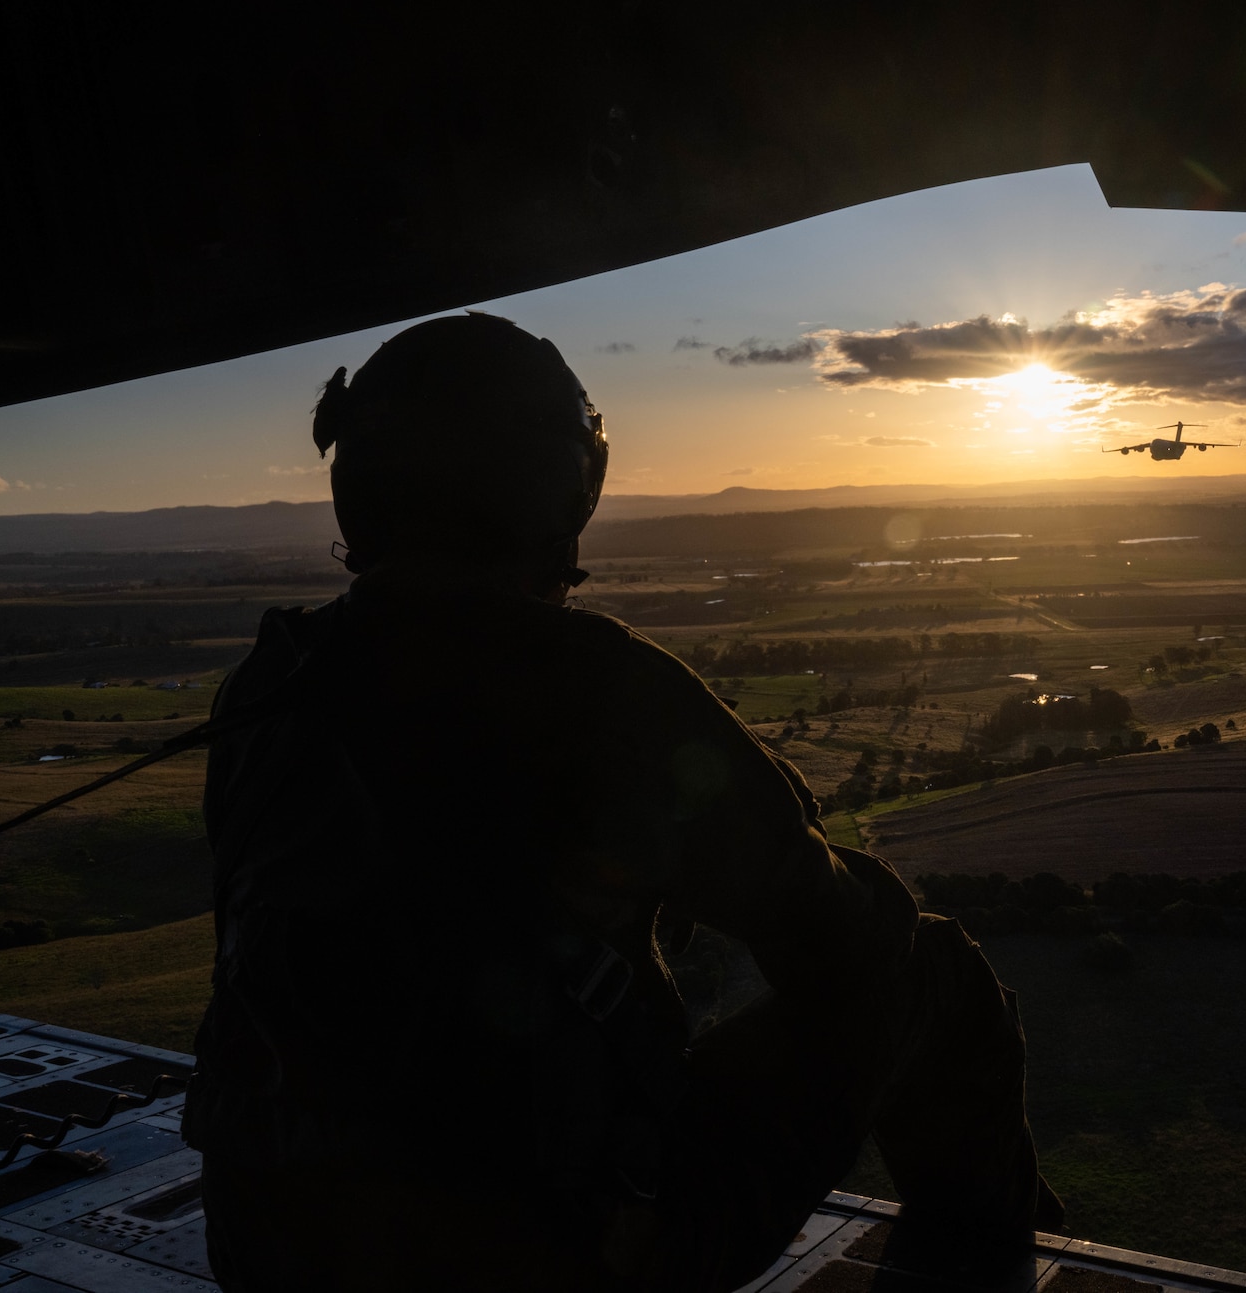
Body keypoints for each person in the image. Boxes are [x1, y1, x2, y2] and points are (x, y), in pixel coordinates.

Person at [183, 314, 1060, 1290]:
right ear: (563, 486)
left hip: (267, 1251)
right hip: (554, 1260)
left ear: (359, 486)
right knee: (929, 970)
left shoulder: (266, 687)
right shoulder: (601, 688)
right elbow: (830, 931)